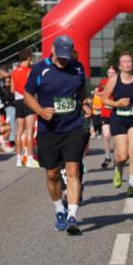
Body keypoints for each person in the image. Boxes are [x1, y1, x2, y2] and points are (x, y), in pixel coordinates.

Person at [22, 35, 88, 235]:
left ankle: (72, 216)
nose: (63, 60)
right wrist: (40, 110)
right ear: (52, 50)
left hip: (73, 126)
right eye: (60, 55)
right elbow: (27, 95)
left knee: (73, 171)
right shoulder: (40, 69)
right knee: (52, 173)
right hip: (48, 129)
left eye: (66, 56)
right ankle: (60, 209)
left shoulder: (77, 68)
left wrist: (84, 103)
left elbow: (81, 89)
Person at [100, 51, 133, 198]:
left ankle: (132, 186)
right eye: (124, 62)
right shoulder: (113, 80)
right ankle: (118, 167)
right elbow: (104, 99)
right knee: (122, 156)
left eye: (129, 61)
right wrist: (118, 103)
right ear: (120, 66)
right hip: (118, 119)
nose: (128, 64)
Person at [11, 49, 38, 168]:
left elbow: (12, 90)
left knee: (19, 131)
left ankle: (18, 158)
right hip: (28, 100)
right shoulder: (30, 71)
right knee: (30, 131)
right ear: (28, 58)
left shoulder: (13, 72)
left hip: (18, 101)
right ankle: (30, 158)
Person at [93, 66, 117, 169]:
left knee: (116, 137)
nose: (110, 74)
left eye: (112, 72)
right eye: (109, 72)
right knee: (106, 135)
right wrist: (103, 92)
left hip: (116, 112)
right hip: (105, 112)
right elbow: (97, 92)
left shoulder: (119, 82)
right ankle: (108, 157)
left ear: (116, 74)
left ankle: (116, 158)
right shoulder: (103, 81)